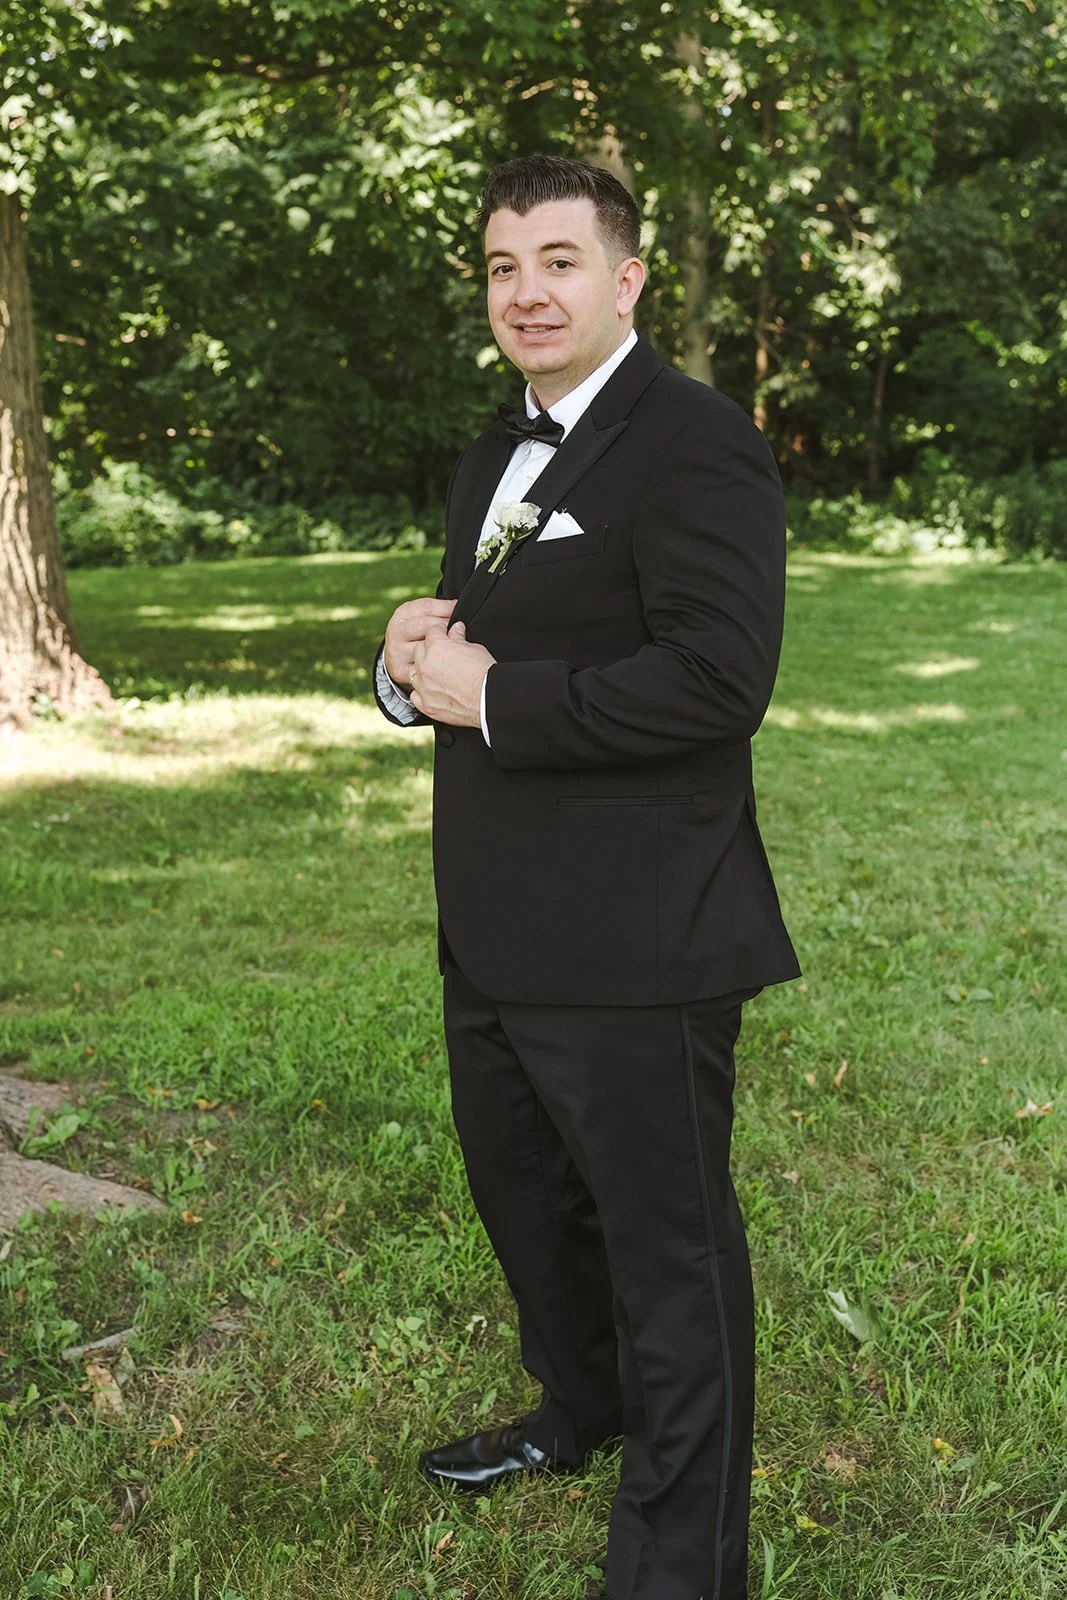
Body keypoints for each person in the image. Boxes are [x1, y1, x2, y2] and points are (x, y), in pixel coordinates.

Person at [373, 152, 801, 1600]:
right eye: (502, 266)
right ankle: (580, 1408)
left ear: (625, 279)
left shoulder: (695, 441)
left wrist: (495, 696)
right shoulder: (499, 441)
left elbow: (717, 679)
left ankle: (685, 1562)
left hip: (637, 935)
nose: (525, 291)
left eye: (557, 260)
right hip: (492, 922)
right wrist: (402, 664)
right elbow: (475, 645)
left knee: (666, 1255)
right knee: (528, 1205)